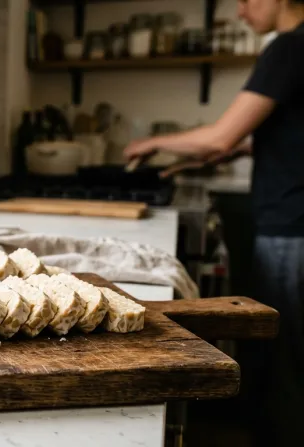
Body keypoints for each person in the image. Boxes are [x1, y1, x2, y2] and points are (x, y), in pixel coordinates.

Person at [123, 1, 304, 445]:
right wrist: (241, 148)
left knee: (286, 355)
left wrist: (152, 142)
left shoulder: (288, 48)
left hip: (290, 224)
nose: (241, 12)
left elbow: (223, 133)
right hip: (292, 218)